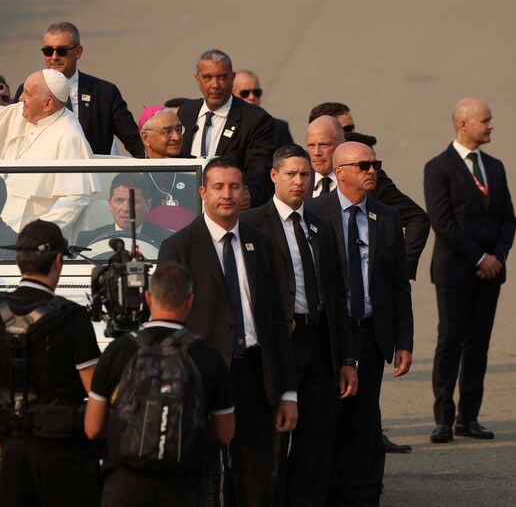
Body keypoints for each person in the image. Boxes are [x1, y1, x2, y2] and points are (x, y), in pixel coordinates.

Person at [159, 157, 297, 506]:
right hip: (202, 378)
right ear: (203, 192)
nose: (227, 194)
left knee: (256, 477)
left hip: (254, 375)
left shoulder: (261, 244)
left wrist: (288, 393)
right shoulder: (178, 247)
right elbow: (168, 324)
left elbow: (278, 320)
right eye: (218, 187)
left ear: (245, 192)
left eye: (234, 187)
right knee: (202, 476)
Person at [240, 145, 357, 505]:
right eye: (291, 174)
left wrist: (347, 359)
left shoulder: (320, 225)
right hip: (276, 343)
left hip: (318, 341)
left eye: (305, 174)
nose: (299, 181)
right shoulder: (252, 224)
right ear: (274, 176)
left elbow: (338, 296)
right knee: (273, 441)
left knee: (316, 442)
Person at [305, 142, 413, 505]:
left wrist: (404, 340)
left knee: (365, 421)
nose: (373, 171)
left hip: (370, 333)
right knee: (328, 418)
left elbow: (399, 284)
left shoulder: (387, 216)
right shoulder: (314, 211)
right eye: (364, 165)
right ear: (341, 172)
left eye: (375, 164)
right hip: (330, 335)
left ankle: (365, 495)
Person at [0, 220, 101, 507]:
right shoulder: (72, 316)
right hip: (61, 445)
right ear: (57, 261)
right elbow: (94, 387)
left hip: (11, 442)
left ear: (18, 260)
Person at [84, 262, 235, 507]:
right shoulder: (208, 355)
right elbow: (225, 433)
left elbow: (92, 428)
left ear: (148, 298)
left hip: (124, 484)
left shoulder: (120, 350)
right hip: (183, 486)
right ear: (189, 301)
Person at [425, 98, 515, 444]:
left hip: (490, 273)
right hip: (455, 273)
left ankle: (469, 418)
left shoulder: (494, 166)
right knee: (451, 341)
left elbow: (508, 217)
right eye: (485, 120)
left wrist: (498, 257)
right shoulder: (439, 167)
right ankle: (443, 419)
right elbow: (443, 222)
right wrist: (479, 258)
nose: (491, 126)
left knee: (478, 345)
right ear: (463, 124)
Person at [0, 57, 96, 233]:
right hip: (5, 226)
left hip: (36, 237)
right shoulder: (19, 113)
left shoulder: (69, 135)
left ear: (47, 104)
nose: (20, 97)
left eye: (28, 93)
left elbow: (76, 197)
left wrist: (41, 233)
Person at [305, 115, 430, 282]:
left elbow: (418, 218)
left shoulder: (368, 177)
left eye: (324, 145)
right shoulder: (299, 179)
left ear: (342, 146)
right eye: (311, 146)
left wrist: (400, 270)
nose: (316, 153)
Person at [19, 22, 144, 157]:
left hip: (92, 175)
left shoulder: (104, 93)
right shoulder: (27, 90)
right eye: (48, 51)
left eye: (62, 51)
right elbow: (16, 135)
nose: (54, 57)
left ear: (78, 52)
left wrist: (156, 170)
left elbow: (133, 140)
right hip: (44, 174)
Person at [177, 50, 276, 207]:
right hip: (187, 207)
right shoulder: (186, 111)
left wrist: (247, 196)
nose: (215, 85)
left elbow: (259, 171)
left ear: (232, 78)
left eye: (222, 77)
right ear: (197, 79)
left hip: (230, 210)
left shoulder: (255, 119)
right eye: (207, 77)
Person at [76, 173, 173, 247]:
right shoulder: (87, 240)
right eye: (119, 200)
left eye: (134, 201)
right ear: (110, 204)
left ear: (148, 205)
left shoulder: (167, 240)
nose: (126, 208)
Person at [232, 69, 293, 150]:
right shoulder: (223, 124)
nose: (252, 97)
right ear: (232, 95)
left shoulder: (279, 128)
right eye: (245, 93)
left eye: (256, 92)